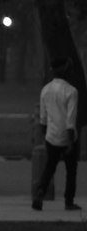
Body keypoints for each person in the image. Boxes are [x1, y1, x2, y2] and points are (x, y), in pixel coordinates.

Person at [33, 57, 80, 212]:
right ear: (65, 70)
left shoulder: (45, 89)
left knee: (49, 168)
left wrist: (45, 135)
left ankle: (40, 193)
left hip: (51, 136)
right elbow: (70, 120)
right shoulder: (71, 91)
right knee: (71, 171)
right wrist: (70, 142)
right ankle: (68, 201)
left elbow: (43, 118)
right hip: (67, 138)